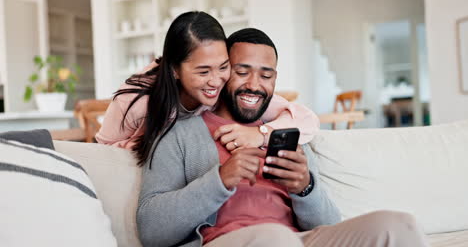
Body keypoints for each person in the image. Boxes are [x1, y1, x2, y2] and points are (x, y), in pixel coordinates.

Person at [136, 28, 429, 247]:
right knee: (274, 239)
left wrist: (305, 187)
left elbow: (327, 224)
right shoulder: (179, 132)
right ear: (224, 72)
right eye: (242, 72)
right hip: (227, 241)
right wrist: (220, 179)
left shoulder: (285, 131)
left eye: (266, 75)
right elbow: (151, 230)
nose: (254, 85)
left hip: (296, 240)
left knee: (399, 225)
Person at [95, 11, 319, 166]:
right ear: (175, 69)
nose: (215, 81)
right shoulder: (136, 100)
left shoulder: (226, 88)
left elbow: (306, 120)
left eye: (223, 67)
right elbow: (101, 154)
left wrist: (260, 134)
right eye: (203, 72)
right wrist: (150, 143)